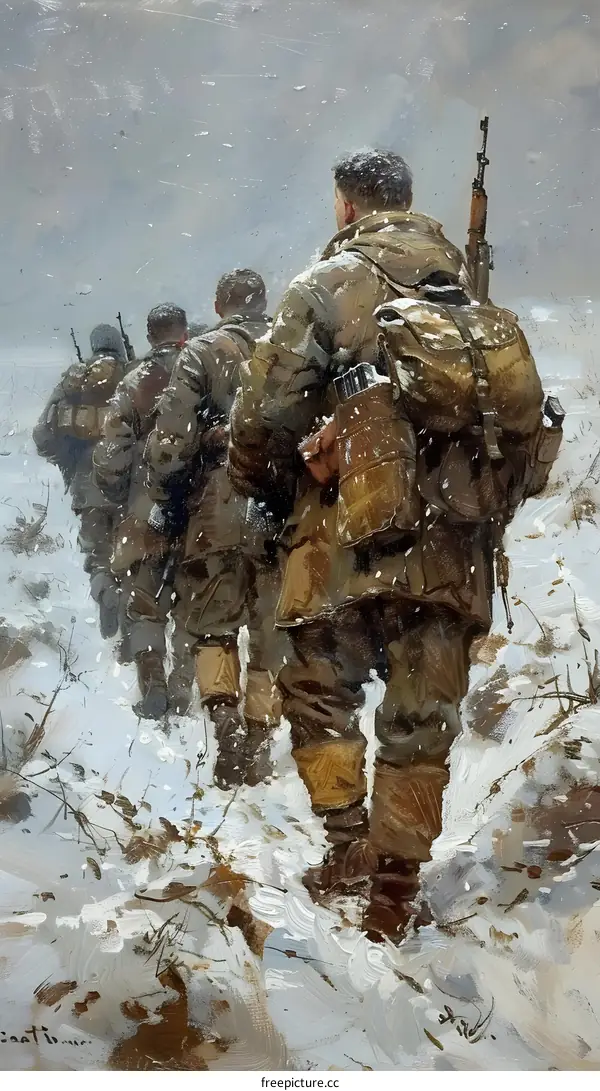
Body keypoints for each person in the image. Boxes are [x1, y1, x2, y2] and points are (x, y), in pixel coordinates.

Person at [227, 149, 550, 940]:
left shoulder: (324, 287)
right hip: (453, 548)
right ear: (408, 201)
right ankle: (394, 891)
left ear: (345, 208)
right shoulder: (467, 295)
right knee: (420, 719)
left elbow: (260, 421)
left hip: (338, 544)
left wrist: (279, 492)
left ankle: (346, 848)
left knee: (316, 694)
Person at [144, 269, 284, 787]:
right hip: (282, 503)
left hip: (217, 507)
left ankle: (226, 730)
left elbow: (171, 440)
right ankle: (261, 738)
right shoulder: (293, 342)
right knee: (271, 631)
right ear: (264, 302)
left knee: (213, 626)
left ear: (219, 305)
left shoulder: (200, 353)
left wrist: (165, 496)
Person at [93, 303, 188, 719]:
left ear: (150, 337)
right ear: (184, 330)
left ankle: (153, 677)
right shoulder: (207, 366)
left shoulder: (133, 383)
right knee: (197, 595)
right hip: (202, 503)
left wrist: (117, 491)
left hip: (146, 503)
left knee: (144, 597)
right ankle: (189, 688)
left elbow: (112, 455)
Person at [33, 324, 128, 638]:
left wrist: (68, 459)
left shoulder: (74, 380)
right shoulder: (133, 374)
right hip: (131, 482)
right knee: (135, 554)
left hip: (88, 485)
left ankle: (105, 593)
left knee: (99, 555)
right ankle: (137, 625)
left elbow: (42, 436)